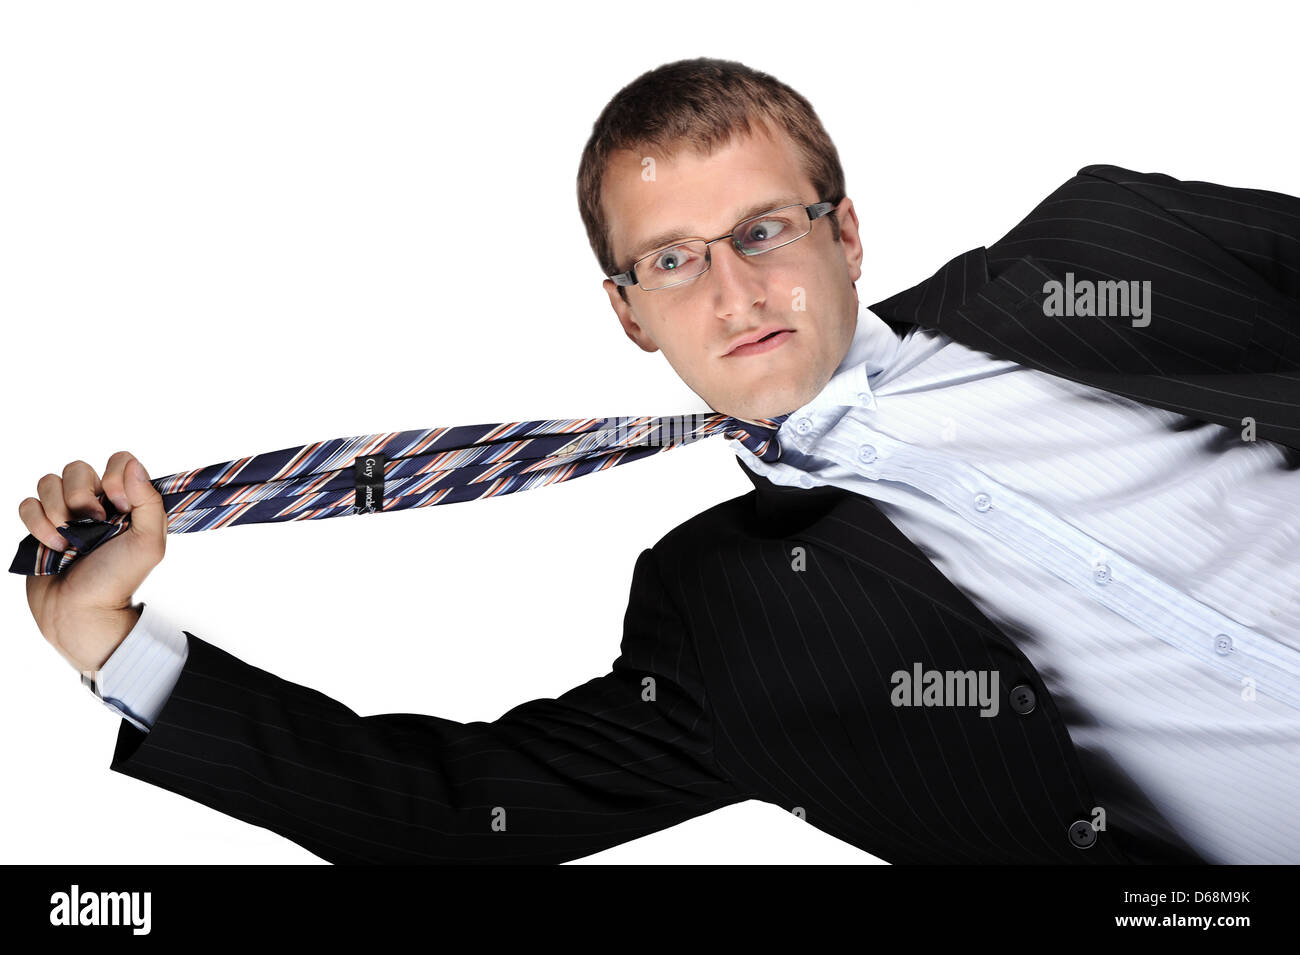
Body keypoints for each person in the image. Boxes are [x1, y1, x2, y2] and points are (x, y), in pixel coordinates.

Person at [18, 57, 1300, 864]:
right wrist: (109, 640)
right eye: (673, 259)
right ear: (628, 311)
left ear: (845, 231)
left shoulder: (1103, 250)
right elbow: (454, 814)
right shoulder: (738, 630)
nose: (736, 290)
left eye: (763, 228)